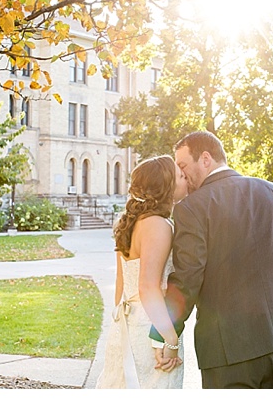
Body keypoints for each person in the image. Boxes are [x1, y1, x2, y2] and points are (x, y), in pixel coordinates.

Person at [150, 131, 273, 389]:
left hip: (227, 352)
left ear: (206, 159)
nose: (182, 174)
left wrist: (163, 335)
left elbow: (188, 278)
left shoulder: (191, 208)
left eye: (183, 165)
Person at [96, 155, 189, 388]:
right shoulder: (158, 225)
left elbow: (121, 286)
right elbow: (147, 287)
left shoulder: (129, 223)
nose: (184, 177)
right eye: (179, 175)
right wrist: (170, 340)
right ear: (165, 185)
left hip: (127, 323)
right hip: (151, 326)